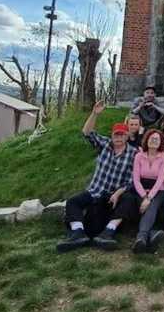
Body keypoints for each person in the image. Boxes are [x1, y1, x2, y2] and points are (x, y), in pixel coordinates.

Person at [57, 101, 138, 252]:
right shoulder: (105, 144)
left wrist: (118, 193)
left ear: (127, 136)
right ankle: (77, 232)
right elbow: (87, 132)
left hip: (110, 195)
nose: (118, 138)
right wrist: (94, 114)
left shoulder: (134, 154)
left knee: (106, 212)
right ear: (112, 135)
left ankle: (107, 233)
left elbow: (132, 180)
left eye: (122, 135)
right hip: (93, 190)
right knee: (72, 202)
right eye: (116, 135)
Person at [131, 129, 164, 254]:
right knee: (144, 206)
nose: (154, 140)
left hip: (158, 190)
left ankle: (141, 237)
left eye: (157, 139)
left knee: (151, 206)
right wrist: (144, 195)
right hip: (141, 188)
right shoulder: (138, 156)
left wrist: (149, 198)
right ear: (146, 140)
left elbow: (160, 180)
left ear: (160, 143)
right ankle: (152, 235)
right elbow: (136, 179)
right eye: (151, 138)